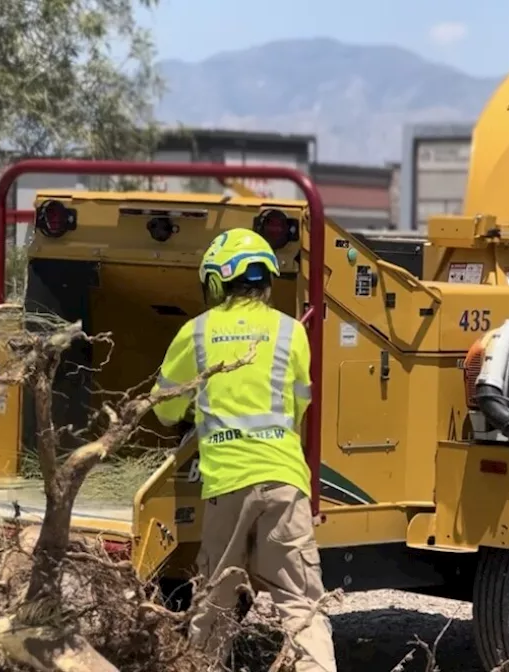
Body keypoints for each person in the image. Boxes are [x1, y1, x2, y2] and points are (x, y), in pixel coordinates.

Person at [151, 228, 337, 672]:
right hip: (285, 482)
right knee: (301, 604)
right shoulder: (292, 332)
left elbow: (165, 409)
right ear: (267, 280)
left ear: (216, 283)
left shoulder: (195, 333)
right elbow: (299, 406)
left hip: (226, 486)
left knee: (213, 604)